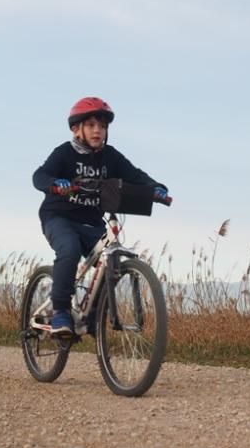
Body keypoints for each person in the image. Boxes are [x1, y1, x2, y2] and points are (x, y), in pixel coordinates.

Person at [32, 97, 170, 335]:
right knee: (70, 250)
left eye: (103, 126)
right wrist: (55, 183)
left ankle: (92, 316)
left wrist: (155, 187)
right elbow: (40, 176)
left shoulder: (110, 157)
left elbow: (134, 175)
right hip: (59, 217)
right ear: (77, 129)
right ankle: (61, 311)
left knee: (111, 263)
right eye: (92, 125)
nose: (98, 130)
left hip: (91, 222)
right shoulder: (64, 153)